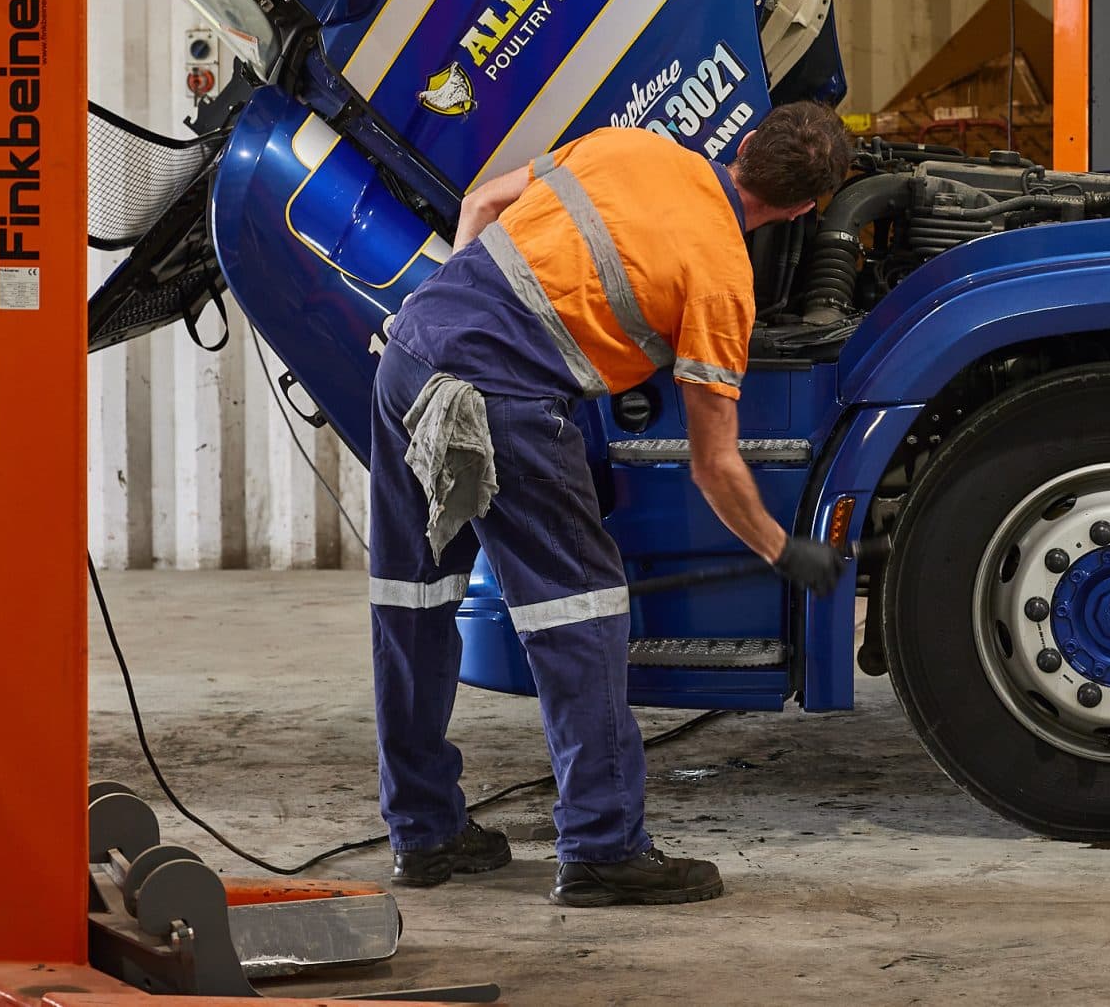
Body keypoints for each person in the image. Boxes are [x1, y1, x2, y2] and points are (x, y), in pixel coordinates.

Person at [366, 101, 856, 906]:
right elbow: (715, 463)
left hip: (412, 353)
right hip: (505, 400)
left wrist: (453, 331)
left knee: (412, 599)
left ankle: (423, 834)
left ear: (741, 144)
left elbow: (482, 203)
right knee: (581, 617)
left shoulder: (627, 145)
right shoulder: (724, 277)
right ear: (804, 208)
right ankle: (601, 848)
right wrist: (782, 548)